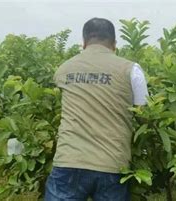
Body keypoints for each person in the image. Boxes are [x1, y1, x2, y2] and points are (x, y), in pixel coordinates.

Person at [45, 17, 149, 201]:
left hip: (69, 160)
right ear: (114, 43)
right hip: (112, 164)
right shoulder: (131, 70)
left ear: (84, 42)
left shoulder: (64, 69)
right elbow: (144, 116)